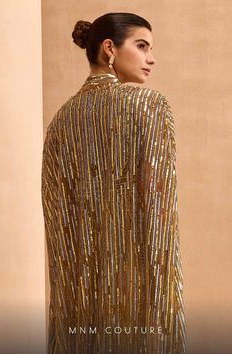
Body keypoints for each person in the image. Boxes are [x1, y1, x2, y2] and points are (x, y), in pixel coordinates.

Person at [41, 12, 187, 354]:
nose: (151, 58)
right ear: (109, 48)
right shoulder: (150, 106)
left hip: (79, 318)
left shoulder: (60, 122)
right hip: (139, 312)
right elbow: (159, 218)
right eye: (141, 45)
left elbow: (58, 230)